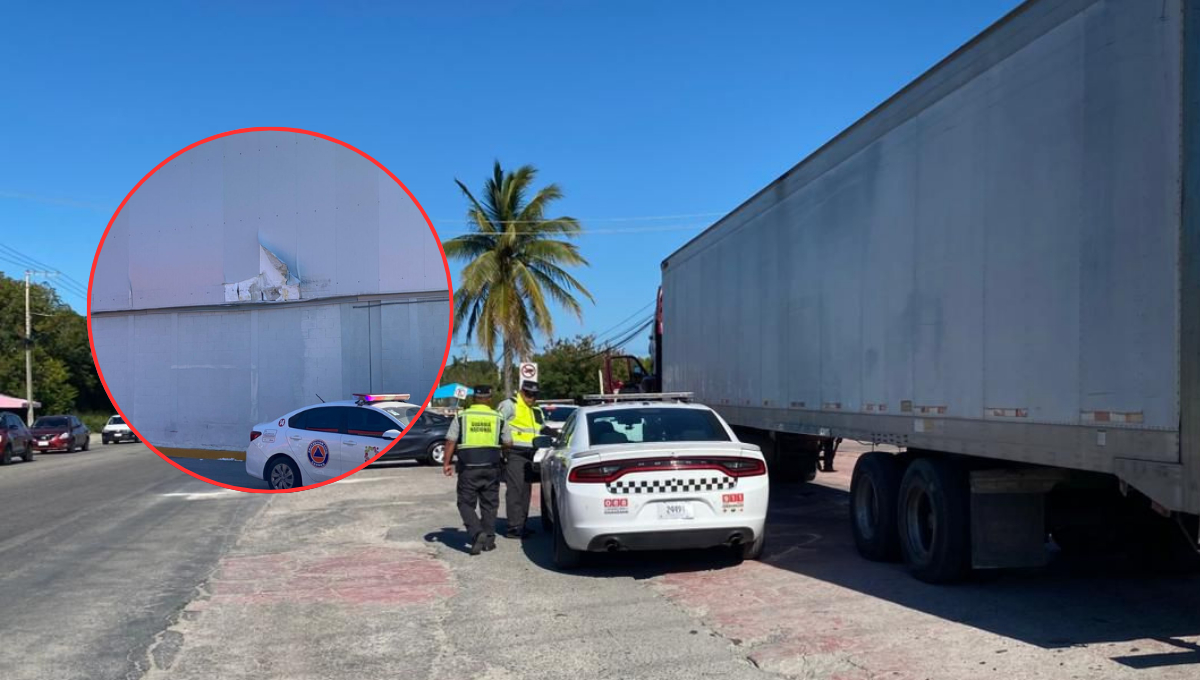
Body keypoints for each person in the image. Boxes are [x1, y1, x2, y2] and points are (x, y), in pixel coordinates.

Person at [443, 385, 512, 555]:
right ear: (489, 399)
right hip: (492, 466)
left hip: (469, 467)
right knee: (489, 504)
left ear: (474, 398)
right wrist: (499, 450)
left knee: (465, 503)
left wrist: (446, 463)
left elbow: (451, 441)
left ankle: (476, 532)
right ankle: (488, 541)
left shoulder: (462, 416)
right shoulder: (498, 417)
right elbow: (508, 442)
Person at [497, 380, 549, 539]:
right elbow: (497, 424)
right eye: (528, 394)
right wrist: (501, 448)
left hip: (532, 454)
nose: (531, 398)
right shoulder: (510, 405)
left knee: (526, 491)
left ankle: (521, 524)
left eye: (534, 395)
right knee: (515, 489)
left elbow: (543, 429)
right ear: (521, 391)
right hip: (514, 452)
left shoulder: (537, 410)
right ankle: (513, 527)